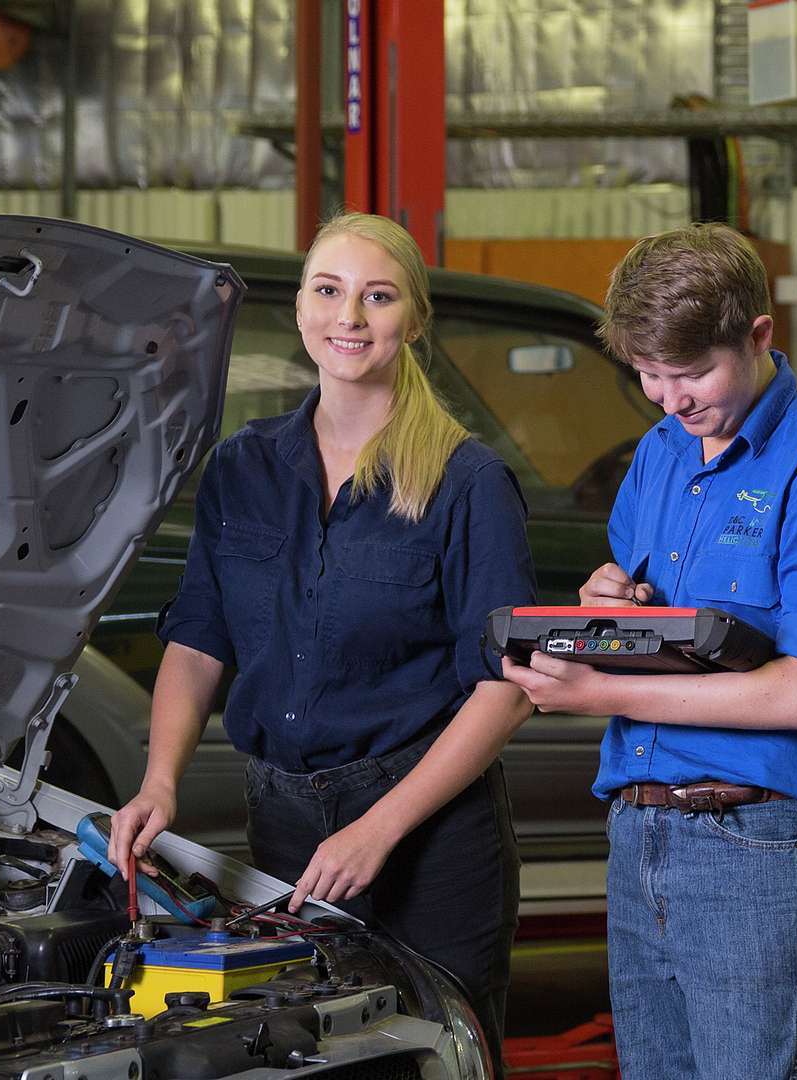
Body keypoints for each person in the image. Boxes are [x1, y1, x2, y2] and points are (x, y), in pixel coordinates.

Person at [109, 212, 536, 1056]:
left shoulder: (466, 481)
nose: (349, 317)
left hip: (430, 833)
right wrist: (161, 782)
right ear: (301, 308)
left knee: (438, 1052)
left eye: (377, 297)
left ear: (411, 319)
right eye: (329, 291)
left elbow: (508, 684)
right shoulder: (243, 467)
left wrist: (381, 827)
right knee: (307, 1056)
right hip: (284, 824)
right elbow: (199, 641)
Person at [501, 223, 797, 1080]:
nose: (668, 398)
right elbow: (659, 629)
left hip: (751, 838)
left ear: (758, 336)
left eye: (690, 374)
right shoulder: (659, 456)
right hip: (641, 828)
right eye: (647, 374)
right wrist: (607, 608)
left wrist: (602, 693)